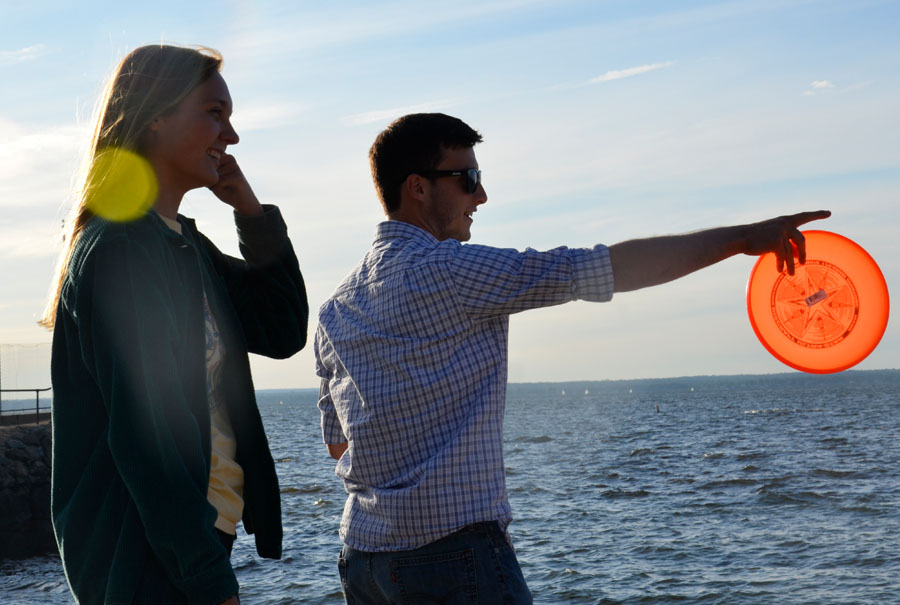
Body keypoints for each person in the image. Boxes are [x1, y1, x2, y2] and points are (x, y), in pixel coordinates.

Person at [313, 112, 830, 603]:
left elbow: (339, 446)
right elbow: (601, 269)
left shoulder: (336, 309)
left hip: (365, 560)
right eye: (467, 178)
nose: (482, 194)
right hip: (452, 556)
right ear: (417, 187)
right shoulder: (452, 271)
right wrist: (742, 238)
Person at [40, 44, 308, 604]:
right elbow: (147, 439)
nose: (230, 136)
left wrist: (251, 213)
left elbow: (282, 331)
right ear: (155, 118)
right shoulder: (123, 249)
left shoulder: (179, 242)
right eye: (215, 113)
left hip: (191, 543)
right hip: (146, 558)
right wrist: (208, 581)